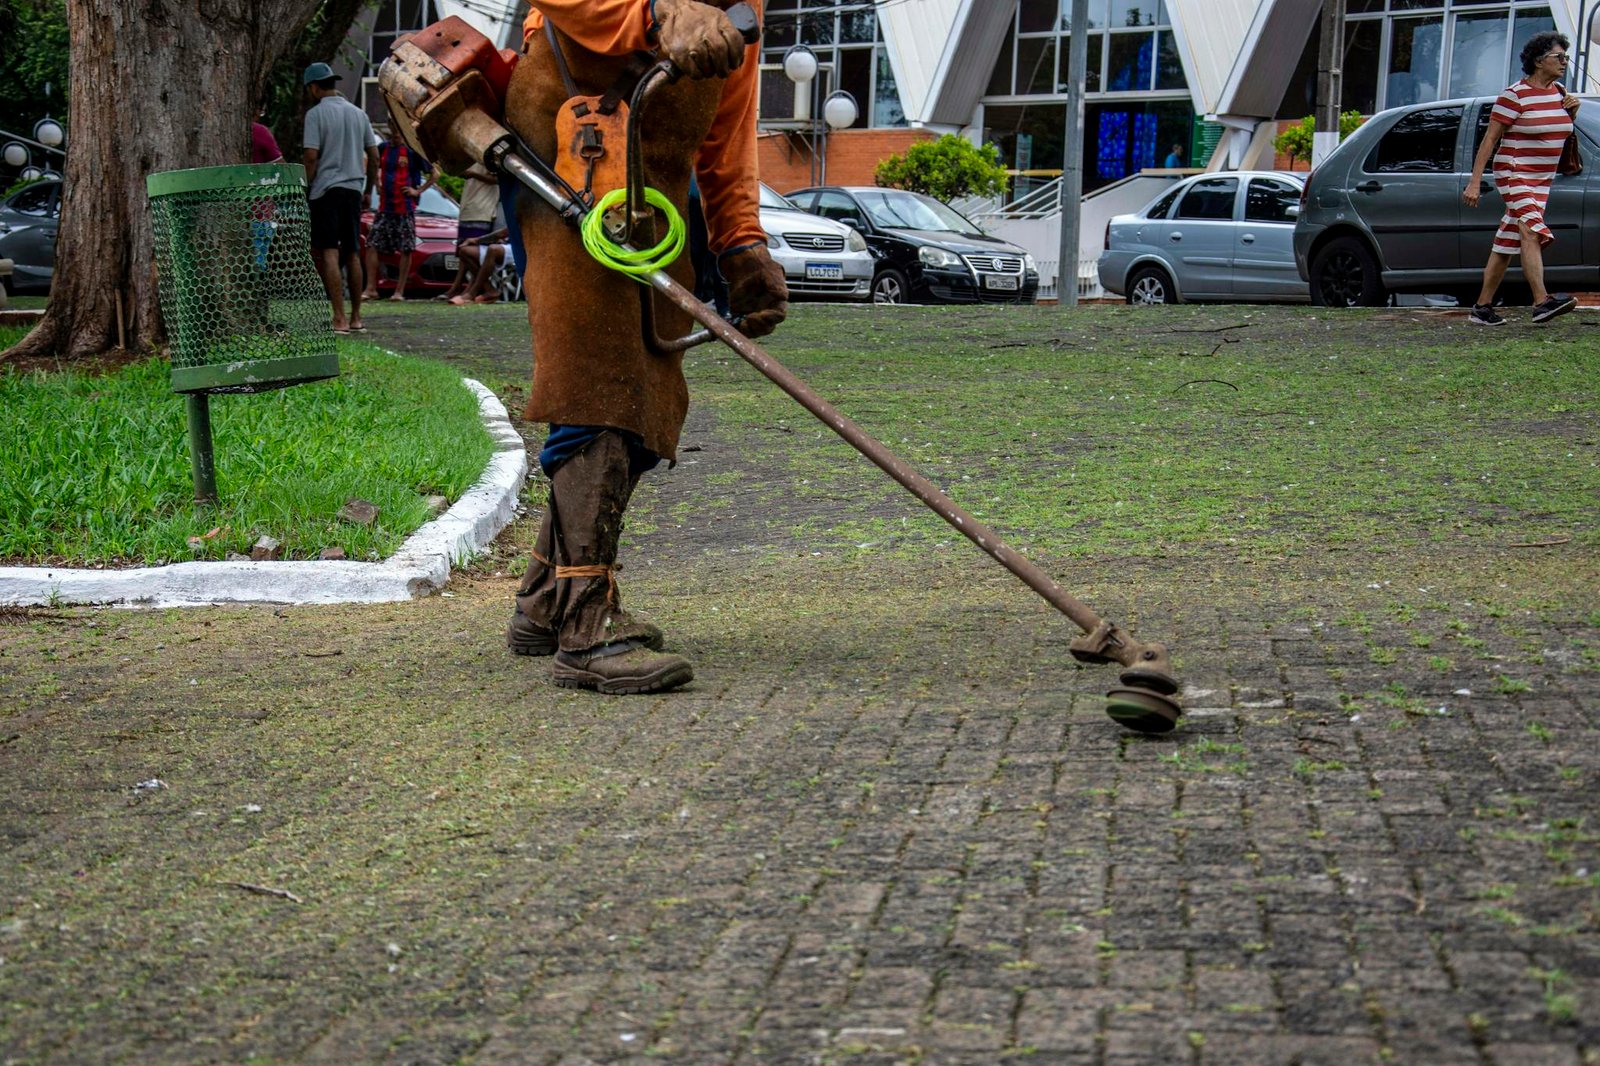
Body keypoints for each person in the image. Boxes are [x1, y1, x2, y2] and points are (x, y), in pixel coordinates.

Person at [503, 0, 787, 694]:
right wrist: (655, 12)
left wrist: (742, 244)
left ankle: (546, 596)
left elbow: (727, 132)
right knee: (595, 379)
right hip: (567, 165)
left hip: (653, 193)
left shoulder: (743, 8)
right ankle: (586, 623)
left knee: (649, 391)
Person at [1463, 31, 1580, 326]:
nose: (1565, 61)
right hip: (1514, 172)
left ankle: (1482, 307)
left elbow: (1560, 132)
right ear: (1539, 61)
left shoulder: (1559, 92)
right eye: (1559, 56)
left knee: (1507, 242)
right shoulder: (1513, 96)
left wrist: (1573, 113)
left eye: (1566, 56)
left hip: (1542, 179)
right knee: (1530, 229)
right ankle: (1542, 301)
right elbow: (1489, 141)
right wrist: (1475, 182)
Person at [302, 61, 379, 334]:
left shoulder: (315, 115)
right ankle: (357, 317)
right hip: (353, 190)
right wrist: (369, 189)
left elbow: (311, 156)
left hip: (326, 190)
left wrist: (307, 187)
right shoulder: (359, 114)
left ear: (313, 87)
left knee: (329, 252)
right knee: (353, 253)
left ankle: (339, 318)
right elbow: (374, 155)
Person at [361, 137, 436, 301]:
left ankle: (399, 291)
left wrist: (417, 191)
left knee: (406, 248)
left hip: (405, 208)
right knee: (372, 244)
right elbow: (372, 165)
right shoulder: (383, 148)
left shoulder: (411, 151)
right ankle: (371, 288)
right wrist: (376, 185)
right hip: (384, 207)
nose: (395, 132)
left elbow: (434, 174)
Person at [439, 163, 502, 301]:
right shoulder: (469, 159)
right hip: (467, 208)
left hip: (482, 210)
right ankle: (458, 287)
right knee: (463, 253)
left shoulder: (487, 159)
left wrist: (473, 174)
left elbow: (497, 180)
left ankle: (474, 289)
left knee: (471, 253)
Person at [448, 226, 510, 304]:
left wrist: (477, 240)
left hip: (522, 248)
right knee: (464, 251)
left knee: (493, 249)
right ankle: (489, 290)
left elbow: (503, 233)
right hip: (507, 244)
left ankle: (472, 293)